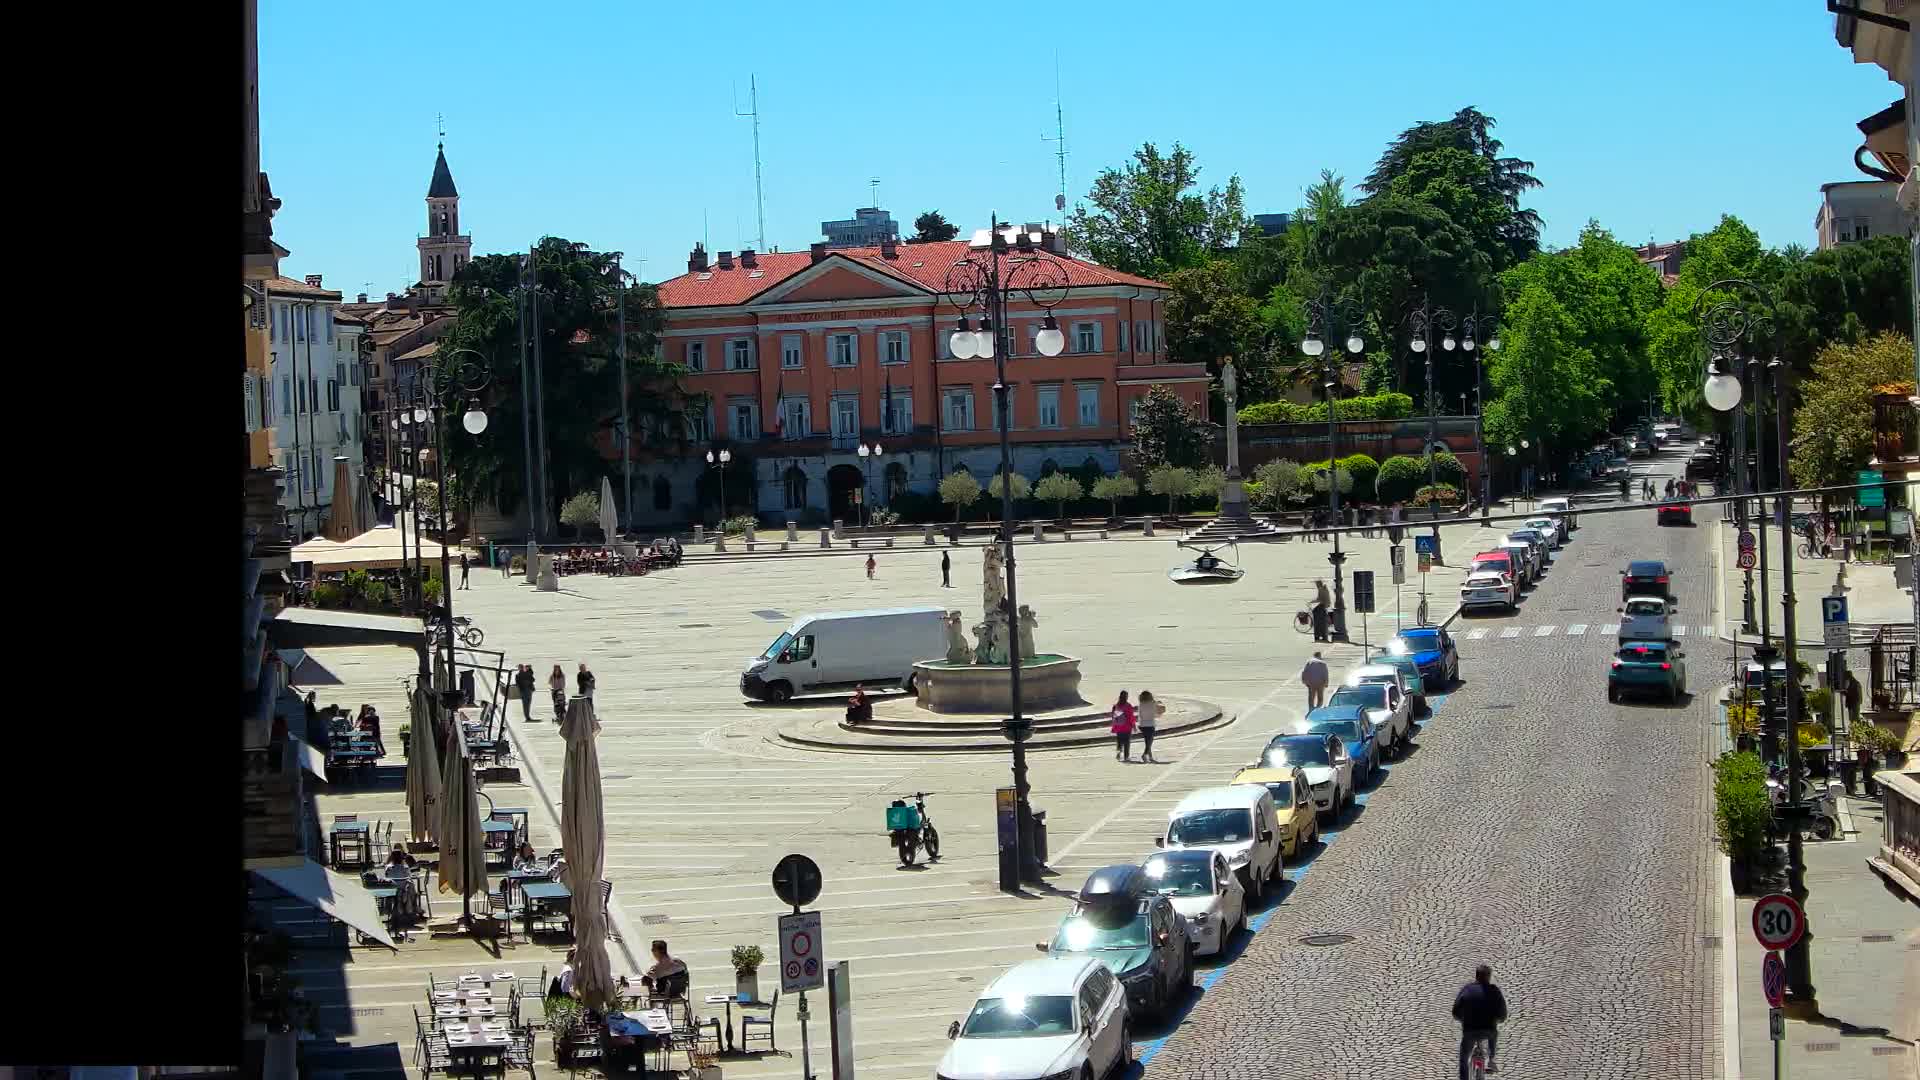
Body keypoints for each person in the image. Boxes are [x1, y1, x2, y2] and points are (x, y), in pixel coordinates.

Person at [1452, 964, 1508, 1077]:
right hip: (1488, 1029)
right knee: (1493, 1034)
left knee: (1464, 1059)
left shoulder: (1467, 989)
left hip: (1470, 1031)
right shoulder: (1495, 991)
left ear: (1476, 976)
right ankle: (1490, 1059)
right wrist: (1498, 1019)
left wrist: (1462, 1019)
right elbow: (1502, 1015)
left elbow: (1455, 1011)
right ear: (1488, 977)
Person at [1108, 691, 1138, 762]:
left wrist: (1115, 725)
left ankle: (1118, 752)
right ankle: (1126, 757)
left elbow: (1113, 716)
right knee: (1127, 742)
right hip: (1127, 727)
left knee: (1119, 741)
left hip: (1119, 726)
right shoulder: (1128, 706)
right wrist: (1134, 726)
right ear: (1126, 697)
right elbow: (1131, 717)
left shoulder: (1116, 706)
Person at [1137, 690, 1161, 763]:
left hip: (1142, 724)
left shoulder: (1141, 704)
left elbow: (1140, 715)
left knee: (1147, 741)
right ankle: (1145, 754)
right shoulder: (1153, 704)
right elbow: (1156, 715)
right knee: (1149, 742)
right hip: (1150, 724)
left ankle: (1150, 757)